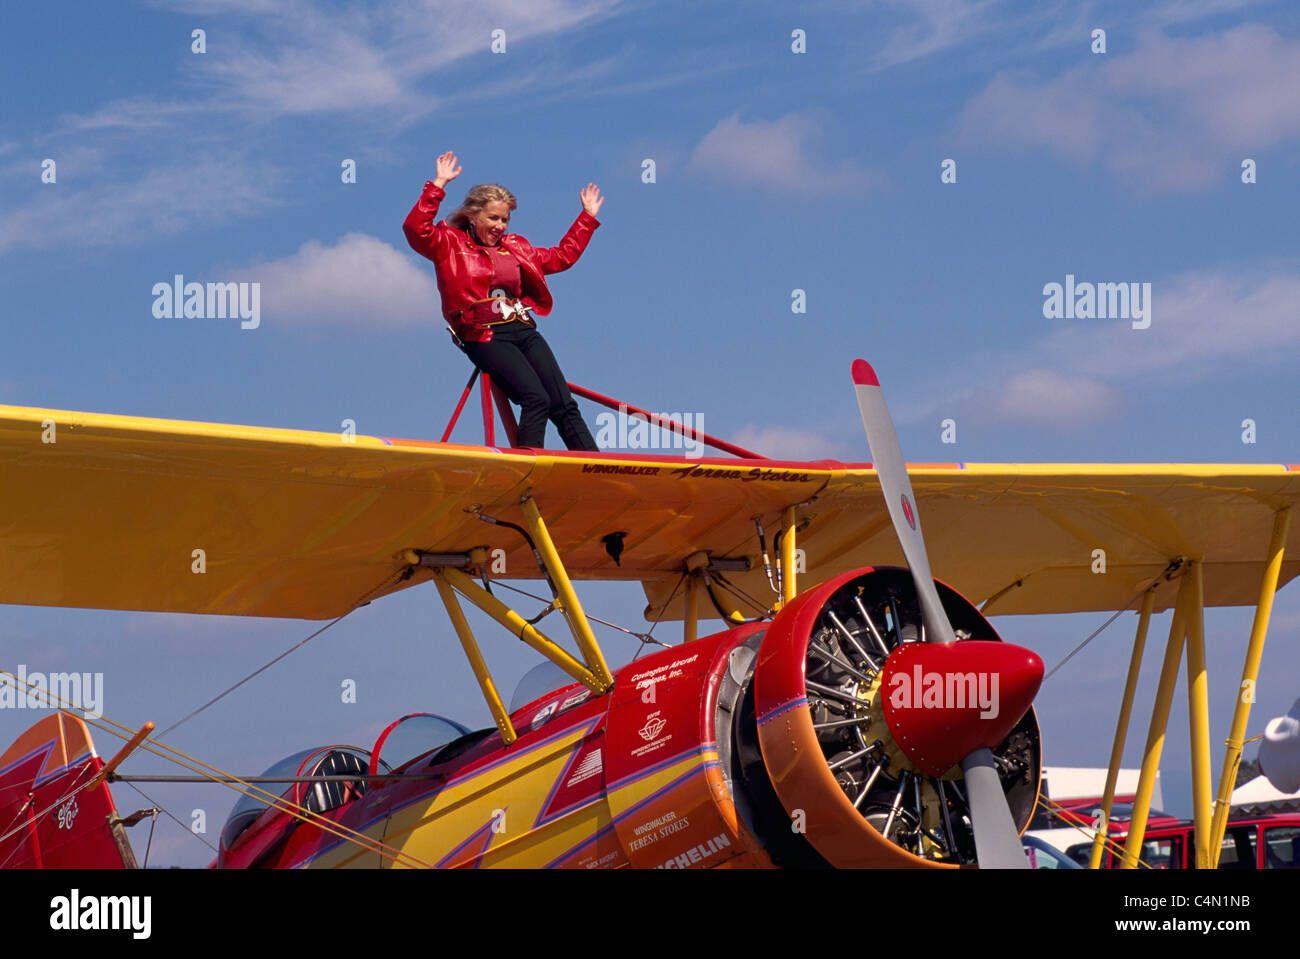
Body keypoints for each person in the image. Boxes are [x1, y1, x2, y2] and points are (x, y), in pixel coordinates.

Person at [403, 150, 603, 451]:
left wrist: (586, 219)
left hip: (523, 329)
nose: (500, 226)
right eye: (493, 218)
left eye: (505, 220)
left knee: (562, 403)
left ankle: (596, 468)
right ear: (473, 216)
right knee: (535, 398)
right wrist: (438, 184)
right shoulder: (449, 243)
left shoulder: (516, 247)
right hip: (484, 334)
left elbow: (561, 257)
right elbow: (415, 229)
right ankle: (526, 471)